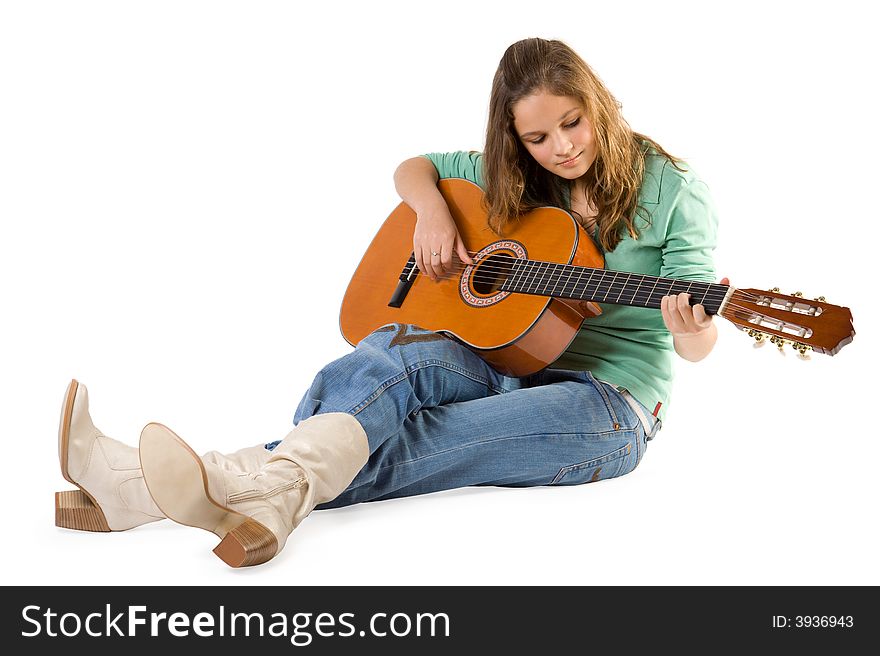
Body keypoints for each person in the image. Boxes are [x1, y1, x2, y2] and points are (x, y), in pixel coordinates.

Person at [55, 37, 725, 567]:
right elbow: (415, 168)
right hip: (506, 354)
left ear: (597, 101)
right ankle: (257, 500)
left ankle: (150, 489)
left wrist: (693, 327)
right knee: (393, 350)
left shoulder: (673, 190)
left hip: (606, 404)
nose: (561, 148)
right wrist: (432, 210)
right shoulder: (518, 175)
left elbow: (696, 347)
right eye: (537, 138)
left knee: (424, 438)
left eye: (572, 124)